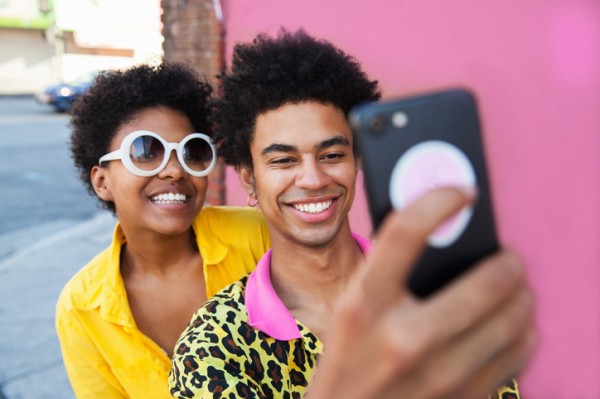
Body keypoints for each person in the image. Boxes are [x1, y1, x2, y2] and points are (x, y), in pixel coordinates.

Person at [169, 29, 535, 398]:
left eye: (332, 155)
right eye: (283, 160)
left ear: (356, 161)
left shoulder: (435, 295)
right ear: (249, 178)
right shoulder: (213, 345)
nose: (313, 179)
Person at [55, 62, 270, 398]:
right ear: (102, 181)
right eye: (145, 152)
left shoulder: (258, 236)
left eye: (192, 152)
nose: (174, 170)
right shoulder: (81, 306)